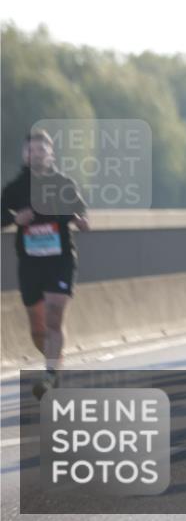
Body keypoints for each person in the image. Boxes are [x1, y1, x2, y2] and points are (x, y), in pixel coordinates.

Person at [2, 130, 89, 399]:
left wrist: (81, 222)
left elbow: (82, 214)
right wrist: (16, 220)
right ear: (24, 155)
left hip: (60, 259)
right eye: (31, 150)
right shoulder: (15, 188)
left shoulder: (63, 183)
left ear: (50, 154)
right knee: (37, 329)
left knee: (54, 317)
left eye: (41, 150)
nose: (36, 154)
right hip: (30, 264)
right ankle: (55, 362)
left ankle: (49, 374)